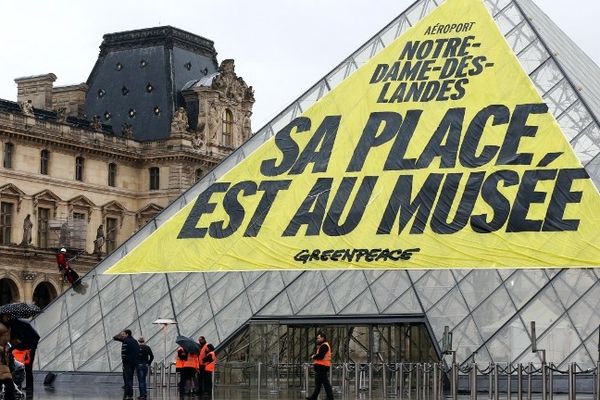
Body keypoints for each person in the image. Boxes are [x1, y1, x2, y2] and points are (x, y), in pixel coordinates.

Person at [306, 331, 333, 400]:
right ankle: (314, 397)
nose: (317, 339)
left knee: (325, 383)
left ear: (323, 338)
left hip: (322, 367)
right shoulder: (323, 345)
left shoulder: (324, 346)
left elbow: (320, 356)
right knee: (318, 383)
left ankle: (330, 397)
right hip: (321, 366)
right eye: (317, 338)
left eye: (319, 338)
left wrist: (313, 356)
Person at [113, 329, 140, 400]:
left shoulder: (126, 341)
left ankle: (129, 394)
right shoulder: (134, 341)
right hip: (134, 363)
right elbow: (138, 351)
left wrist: (124, 362)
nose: (122, 335)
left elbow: (123, 353)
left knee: (128, 379)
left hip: (127, 363)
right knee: (130, 378)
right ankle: (130, 394)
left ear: (127, 334)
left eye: (123, 334)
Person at [0, 314, 15, 400]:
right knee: (9, 385)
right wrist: (2, 348)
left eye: (9, 316)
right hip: (1, 358)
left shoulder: (8, 327)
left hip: (4, 360)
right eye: (6, 316)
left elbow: (6, 342)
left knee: (9, 385)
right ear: (2, 316)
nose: (8, 318)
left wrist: (13, 343)